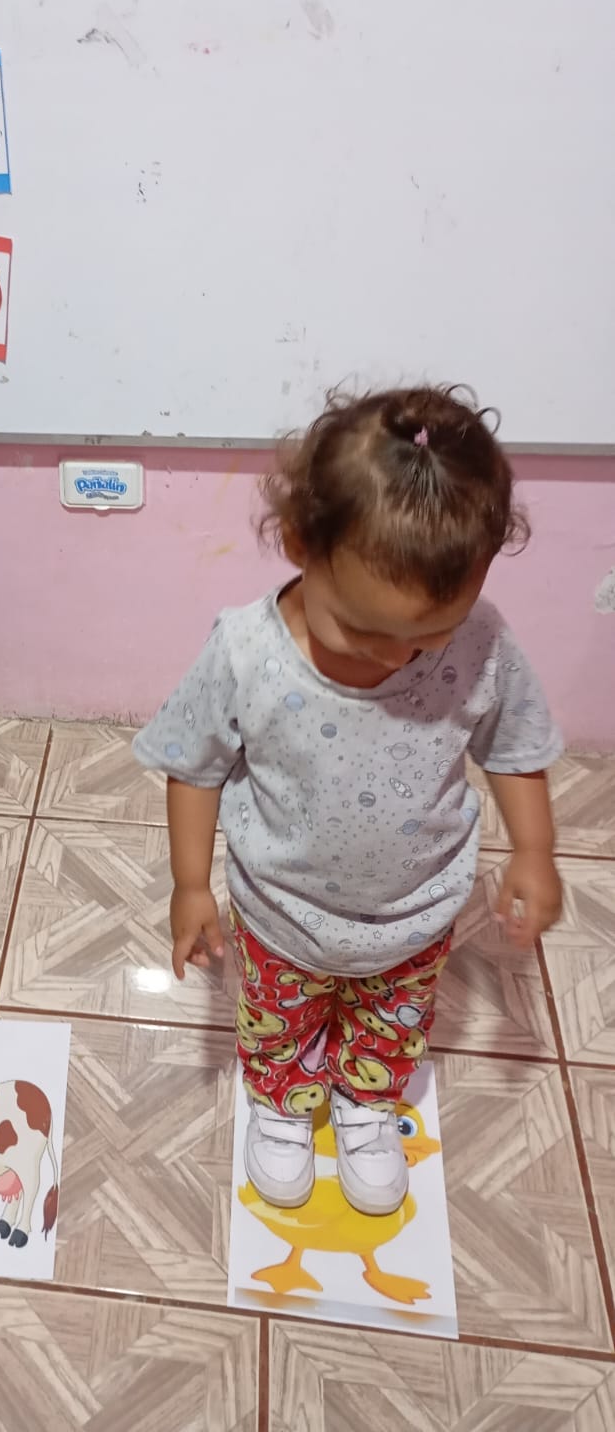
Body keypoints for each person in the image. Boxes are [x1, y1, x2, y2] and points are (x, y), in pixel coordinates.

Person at [134, 387, 562, 1216]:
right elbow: (194, 765)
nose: (398, 658)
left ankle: (366, 1102)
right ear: (302, 545)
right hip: (282, 911)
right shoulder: (247, 651)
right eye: (365, 632)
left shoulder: (482, 643)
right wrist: (190, 886)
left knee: (394, 1022)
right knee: (277, 1019)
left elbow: (515, 746)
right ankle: (283, 1100)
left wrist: (535, 851)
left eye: (429, 636)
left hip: (418, 912)